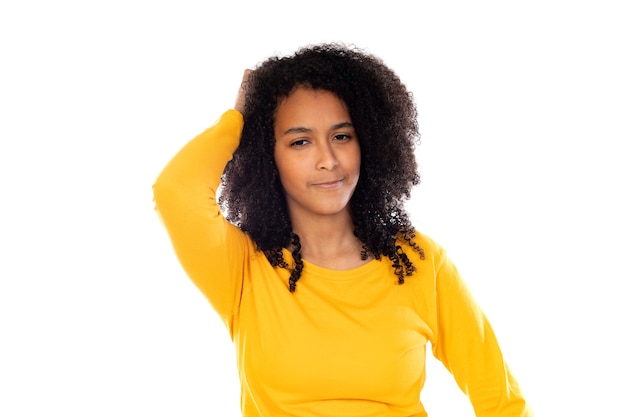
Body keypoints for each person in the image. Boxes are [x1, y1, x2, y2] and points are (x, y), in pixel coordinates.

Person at [153, 43, 532, 417]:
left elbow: (500, 401)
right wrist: (238, 119)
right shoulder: (244, 268)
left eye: (342, 136)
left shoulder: (420, 262)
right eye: (300, 141)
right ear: (266, 155)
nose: (328, 161)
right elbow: (176, 192)